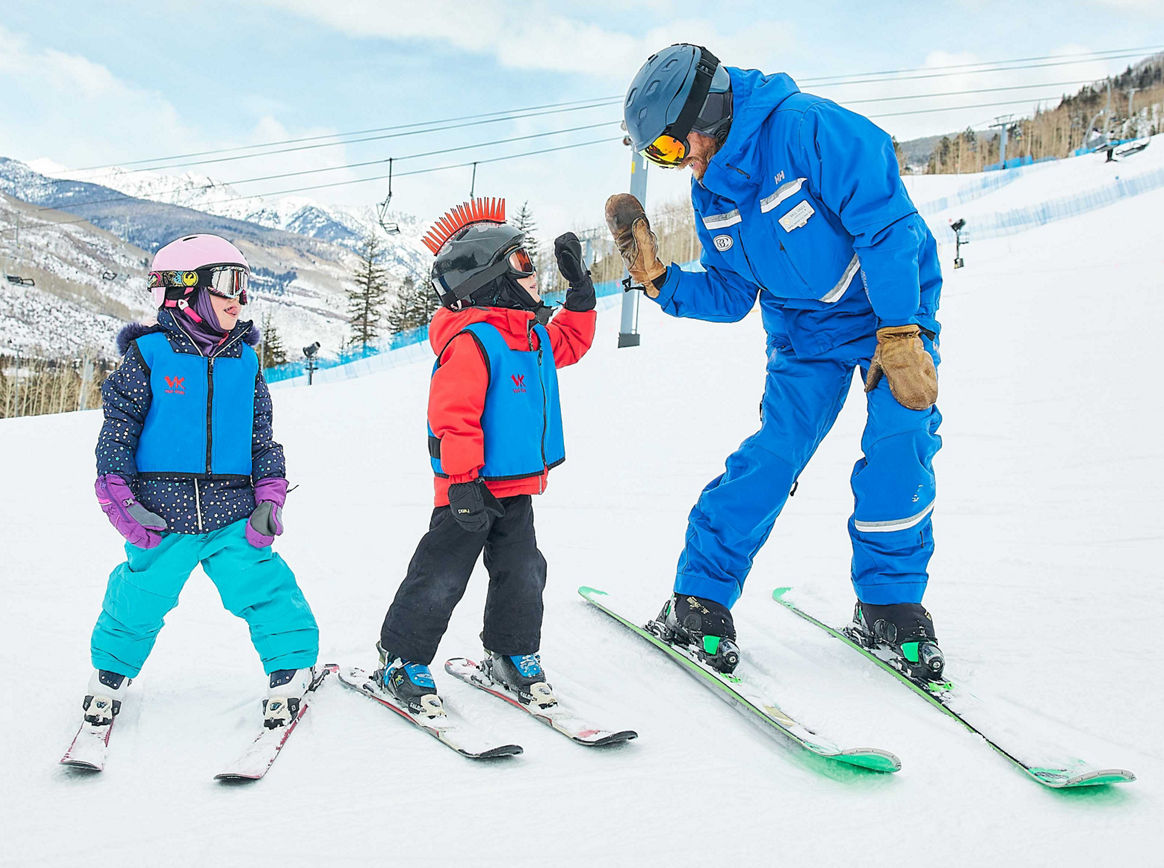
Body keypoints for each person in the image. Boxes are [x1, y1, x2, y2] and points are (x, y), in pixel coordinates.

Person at [606, 43, 945, 681]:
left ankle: (890, 604)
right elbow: (734, 294)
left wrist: (902, 330)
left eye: (674, 148)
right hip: (803, 333)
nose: (679, 166)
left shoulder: (808, 127)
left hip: (887, 315)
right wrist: (660, 282)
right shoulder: (714, 195)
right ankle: (701, 595)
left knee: (900, 444)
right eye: (659, 157)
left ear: (708, 112)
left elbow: (887, 228)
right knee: (774, 453)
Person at [77, 233, 320, 739]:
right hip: (161, 514)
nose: (240, 298)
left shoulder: (246, 362)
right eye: (229, 283)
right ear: (184, 291)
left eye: (245, 284)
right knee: (140, 594)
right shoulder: (149, 356)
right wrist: (120, 499)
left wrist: (269, 495)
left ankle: (290, 665)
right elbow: (118, 432)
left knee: (266, 588)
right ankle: (111, 673)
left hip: (233, 512)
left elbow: (262, 436)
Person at [373, 198, 596, 714]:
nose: (534, 273)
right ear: (489, 279)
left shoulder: (531, 335)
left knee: (523, 571)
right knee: (442, 574)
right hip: (467, 490)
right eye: (521, 264)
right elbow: (453, 416)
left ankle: (511, 651)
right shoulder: (472, 343)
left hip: (515, 486)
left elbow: (570, 343)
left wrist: (580, 295)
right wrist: (461, 481)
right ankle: (401, 655)